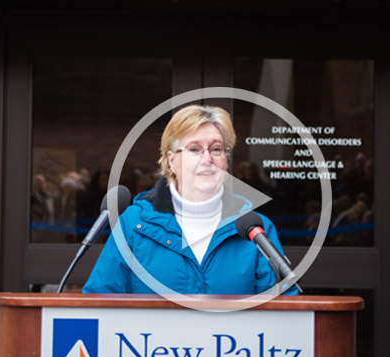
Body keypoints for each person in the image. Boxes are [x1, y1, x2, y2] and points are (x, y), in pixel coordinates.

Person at [83, 105, 298, 295]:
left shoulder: (256, 229)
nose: (207, 160)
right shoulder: (133, 225)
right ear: (172, 161)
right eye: (194, 149)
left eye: (216, 149)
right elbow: (98, 303)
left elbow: (283, 314)